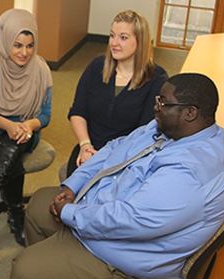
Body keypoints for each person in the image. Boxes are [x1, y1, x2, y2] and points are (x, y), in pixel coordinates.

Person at [11, 73, 224, 279]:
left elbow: (130, 220)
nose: (156, 107)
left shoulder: (190, 171)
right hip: (106, 213)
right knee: (39, 205)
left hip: (127, 261)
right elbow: (116, 147)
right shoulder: (167, 127)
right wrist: (73, 186)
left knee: (24, 273)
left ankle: (56, 271)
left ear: (190, 113)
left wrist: (70, 213)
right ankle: (58, 267)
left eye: (163, 102)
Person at [0, 9, 53, 246]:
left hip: (26, 127)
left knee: (18, 141)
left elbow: (45, 115)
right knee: (13, 146)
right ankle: (16, 214)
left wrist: (29, 124)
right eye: (17, 45)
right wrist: (8, 125)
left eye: (29, 45)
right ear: (6, 41)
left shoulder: (41, 69)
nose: (24, 53)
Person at [67, 10, 168, 177]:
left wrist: (106, 157)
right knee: (69, 195)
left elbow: (144, 133)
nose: (114, 43)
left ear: (140, 41)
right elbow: (78, 112)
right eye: (112, 35)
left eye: (123, 37)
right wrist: (85, 145)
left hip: (126, 159)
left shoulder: (157, 79)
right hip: (88, 150)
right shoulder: (96, 67)